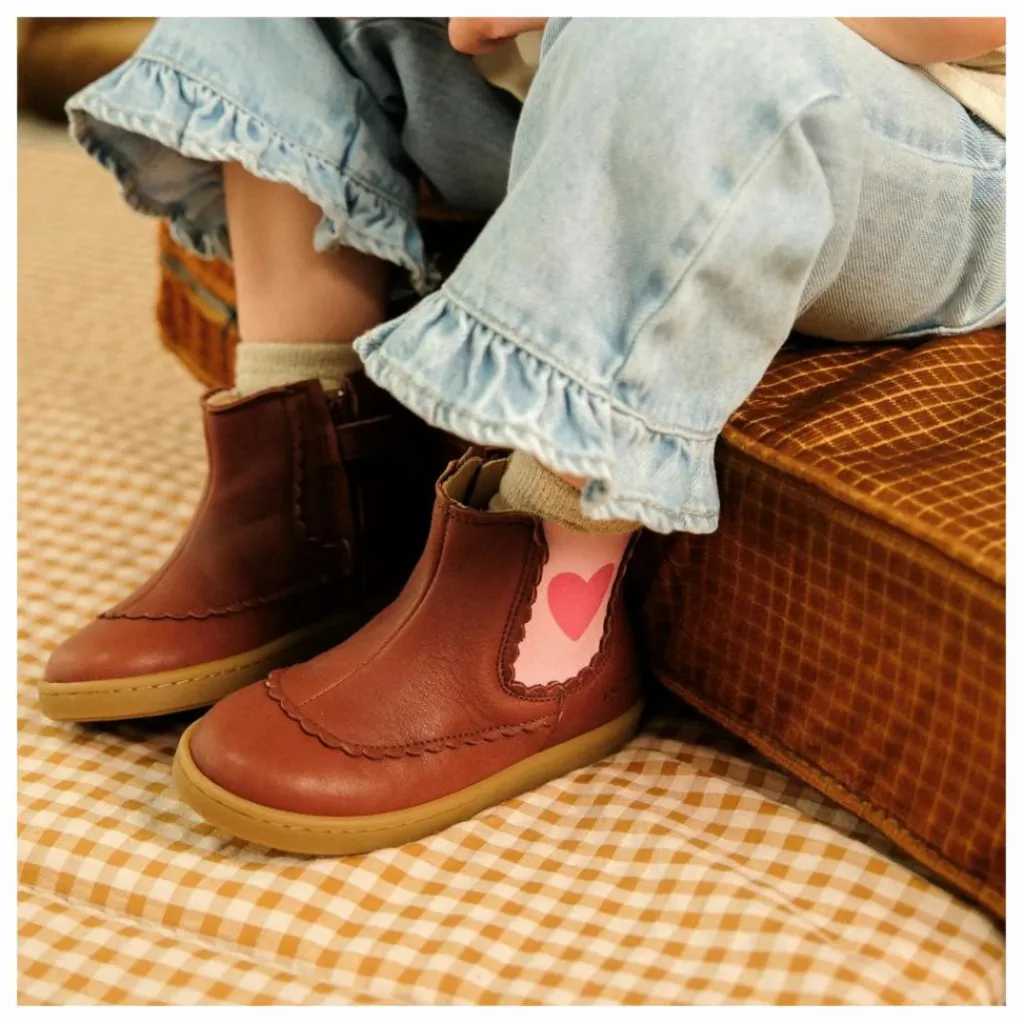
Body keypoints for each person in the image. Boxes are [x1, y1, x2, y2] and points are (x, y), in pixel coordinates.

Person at [42, 17, 1005, 854]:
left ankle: (547, 637)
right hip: (573, 75)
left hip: (920, 138)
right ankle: (315, 494)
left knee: (683, 38)